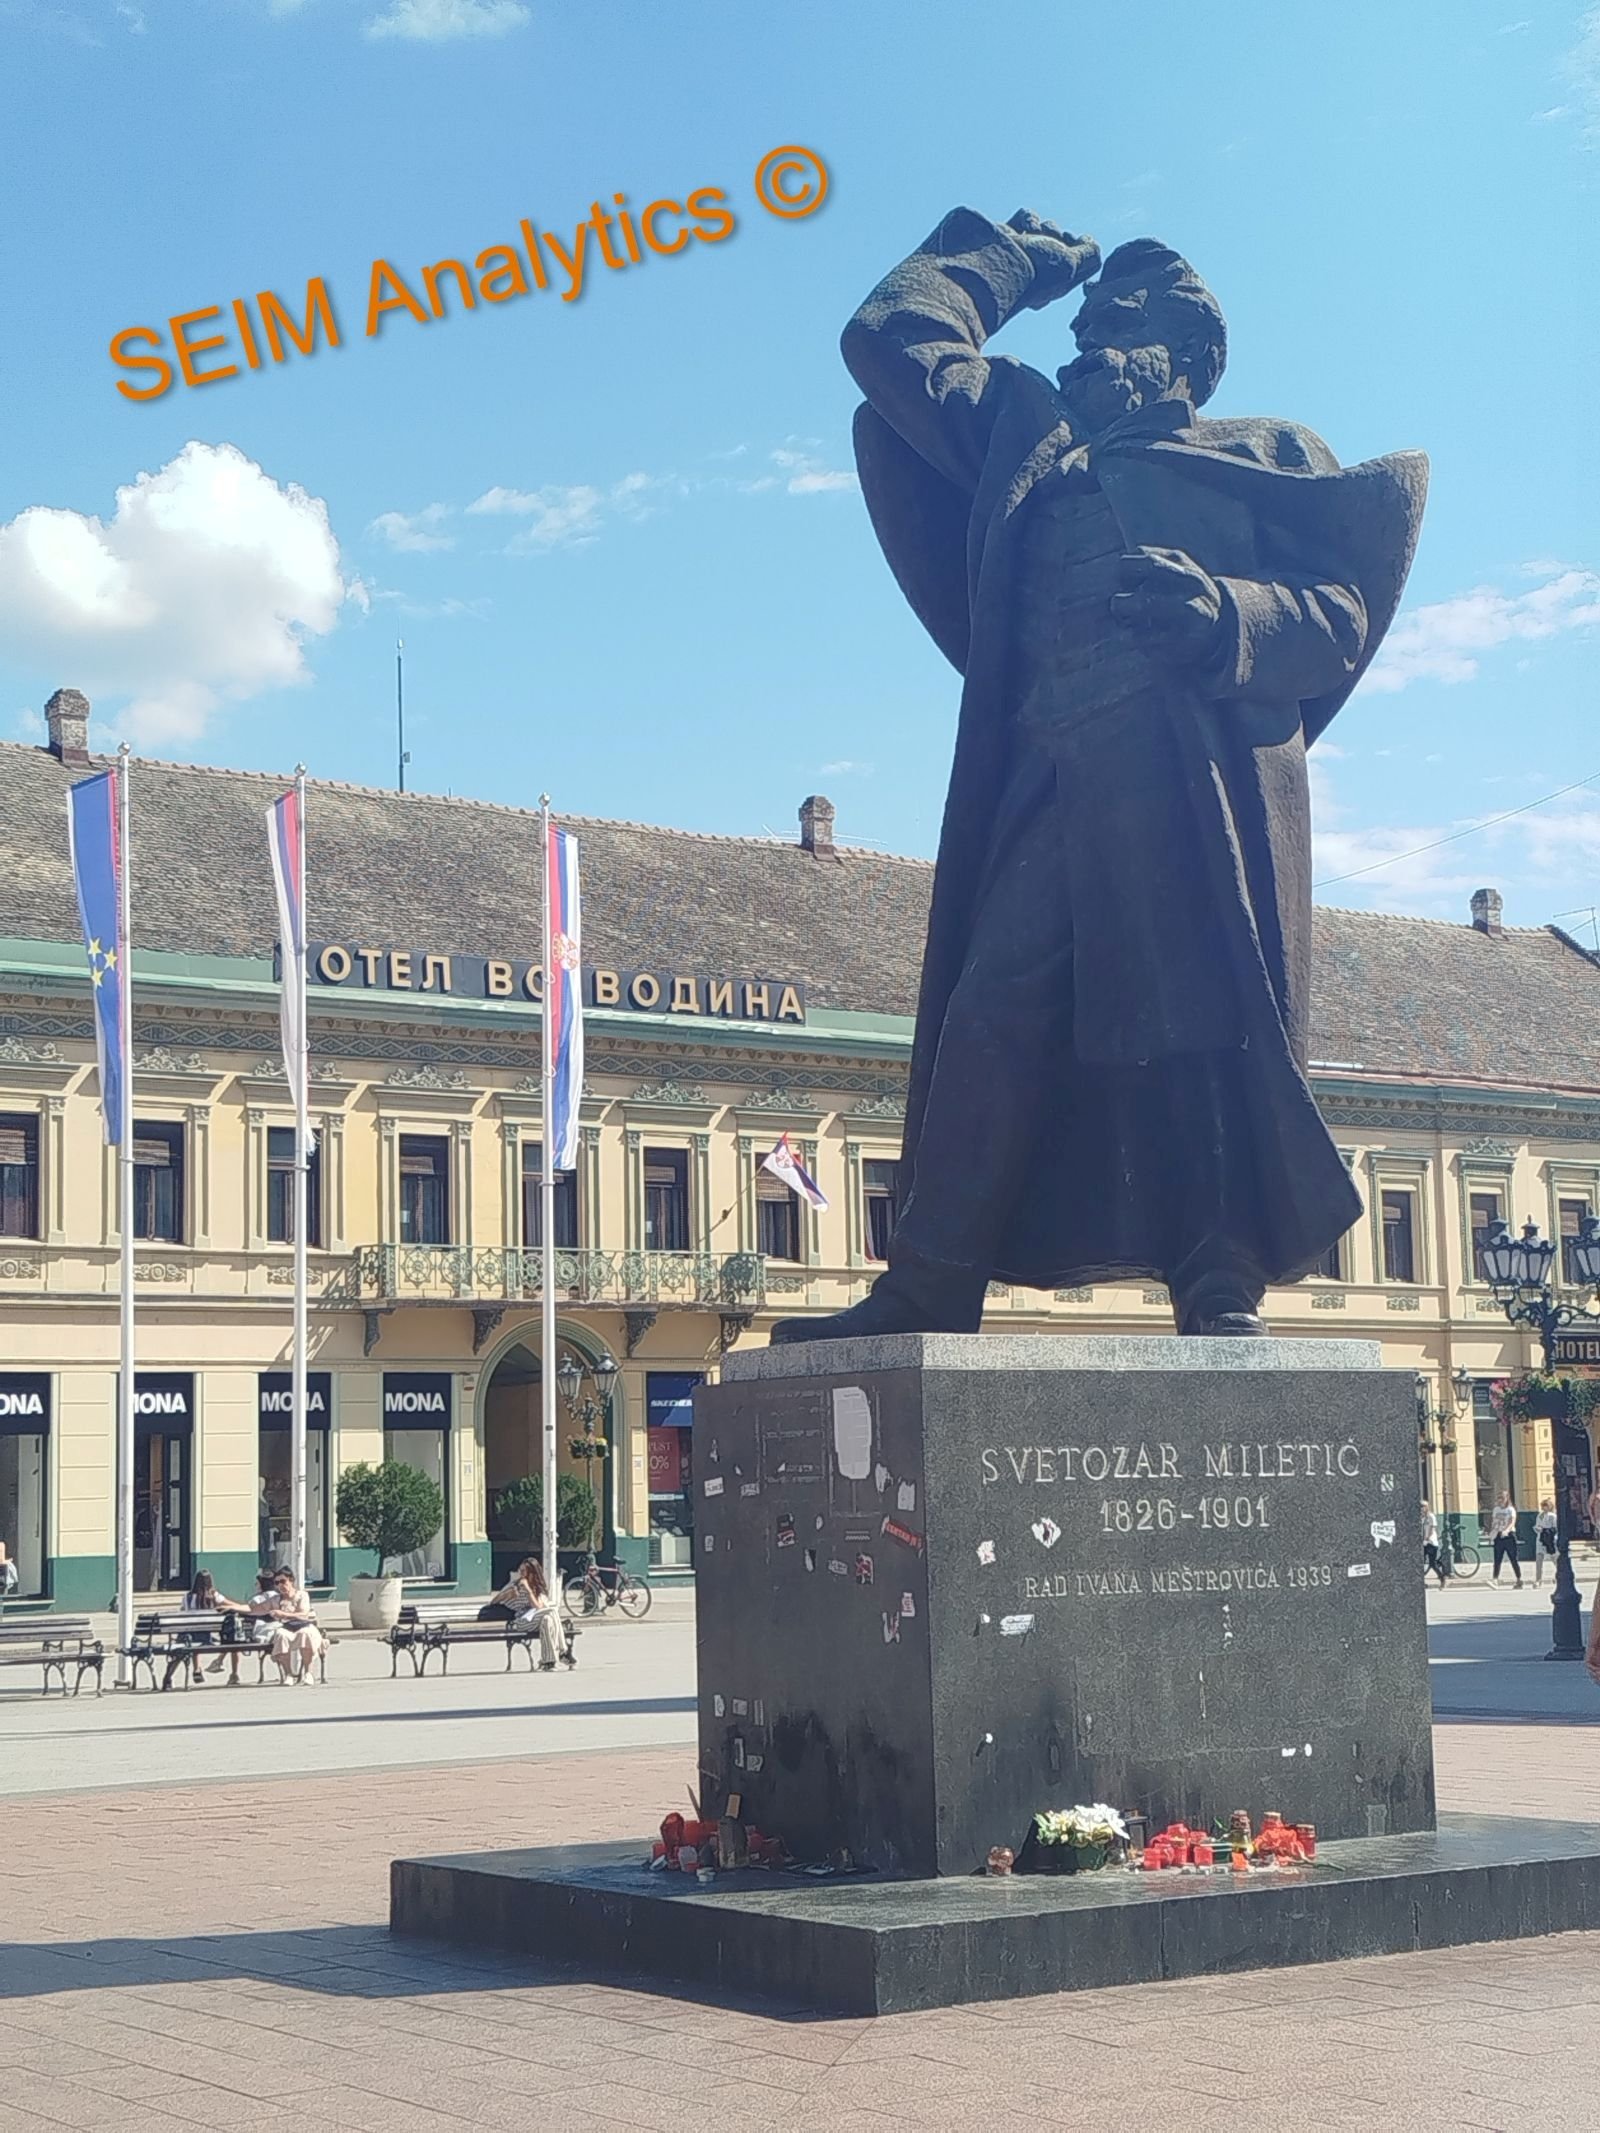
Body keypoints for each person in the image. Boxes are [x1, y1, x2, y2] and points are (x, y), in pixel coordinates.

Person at [771, 207, 1424, 1346]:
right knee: (989, 1013)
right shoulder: (1025, 432)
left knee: (1202, 1025)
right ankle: (932, 1279)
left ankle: (1216, 1275)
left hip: (1188, 781)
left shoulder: (1264, 457)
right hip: (1049, 773)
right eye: (1083, 325)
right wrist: (1016, 261)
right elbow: (887, 337)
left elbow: (1339, 615)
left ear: (1187, 354)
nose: (1085, 342)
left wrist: (1225, 614)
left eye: (1115, 324)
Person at [478, 1556, 573, 1670]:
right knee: (552, 1611)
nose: (521, 1574)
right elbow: (493, 1602)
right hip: (521, 1621)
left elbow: (538, 1607)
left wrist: (528, 1590)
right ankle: (563, 1651)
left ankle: (548, 1662)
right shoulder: (515, 1585)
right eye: (520, 1570)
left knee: (547, 1620)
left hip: (536, 1619)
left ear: (532, 1573)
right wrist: (506, 1594)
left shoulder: (537, 1588)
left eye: (524, 1571)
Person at [255, 1566, 327, 1685]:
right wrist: (233, 1606)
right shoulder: (276, 1599)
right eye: (277, 1583)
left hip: (303, 1625)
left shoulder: (302, 1595)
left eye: (283, 1581)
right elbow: (256, 1608)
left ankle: (308, 1673)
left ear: (291, 1580)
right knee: (281, 1636)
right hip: (286, 1627)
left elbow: (303, 1614)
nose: (280, 1585)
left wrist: (283, 1614)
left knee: (305, 1634)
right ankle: (288, 1674)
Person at [1490, 1491, 1522, 1588]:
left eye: (1502, 1498)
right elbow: (1494, 1521)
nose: (1500, 1500)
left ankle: (1519, 1579)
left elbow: (1512, 1522)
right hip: (1498, 1535)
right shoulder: (1496, 1509)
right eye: (1499, 1498)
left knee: (1513, 1559)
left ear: (1507, 1498)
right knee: (1497, 1559)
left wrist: (1507, 1530)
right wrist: (1493, 1531)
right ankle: (1495, 1579)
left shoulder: (1510, 1509)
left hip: (1509, 1536)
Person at [1534, 1498, 1559, 1588]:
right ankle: (1538, 1579)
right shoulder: (1540, 1515)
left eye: (1546, 1506)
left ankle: (1559, 1575)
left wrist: (1546, 1530)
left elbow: (1555, 1528)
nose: (1544, 1508)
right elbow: (1537, 1525)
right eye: (1543, 1506)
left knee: (1554, 1559)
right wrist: (1538, 1529)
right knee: (1539, 1560)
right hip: (1541, 1539)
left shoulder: (1553, 1516)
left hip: (1551, 1540)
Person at [1421, 1502, 1446, 1589]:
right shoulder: (1423, 1518)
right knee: (1421, 1562)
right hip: (1424, 1543)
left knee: (1432, 1563)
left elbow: (1432, 1529)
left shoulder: (1431, 1516)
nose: (1421, 1509)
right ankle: (1421, 1582)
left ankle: (1442, 1578)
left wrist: (1426, 1539)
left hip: (1431, 1542)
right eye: (1420, 1507)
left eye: (1423, 1506)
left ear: (1427, 1507)